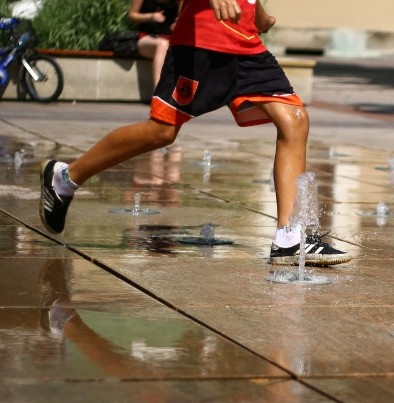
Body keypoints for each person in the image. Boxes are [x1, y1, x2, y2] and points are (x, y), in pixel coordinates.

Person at [38, 0, 351, 267]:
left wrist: (258, 14)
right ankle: (65, 179)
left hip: (247, 45)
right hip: (202, 41)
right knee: (160, 132)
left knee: (295, 119)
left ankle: (288, 239)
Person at [127, 0, 181, 89]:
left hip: (171, 39)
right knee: (162, 44)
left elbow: (180, 17)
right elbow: (132, 15)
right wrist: (151, 16)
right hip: (146, 39)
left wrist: (177, 24)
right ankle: (157, 92)